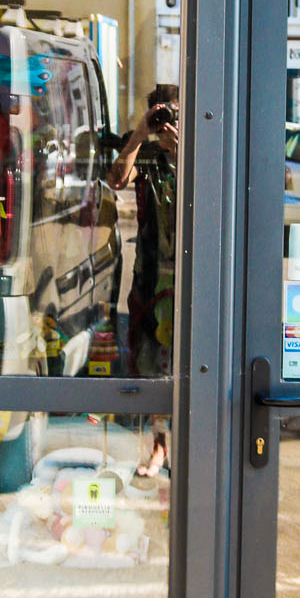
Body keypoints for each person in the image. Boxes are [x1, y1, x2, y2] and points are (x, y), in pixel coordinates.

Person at [109, 87, 179, 470]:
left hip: (190, 277)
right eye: (159, 116)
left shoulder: (198, 152)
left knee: (189, 363)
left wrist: (180, 153)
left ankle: (186, 446)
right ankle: (160, 445)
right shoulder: (146, 153)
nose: (166, 123)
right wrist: (139, 134)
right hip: (151, 276)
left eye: (172, 115)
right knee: (151, 362)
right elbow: (117, 180)